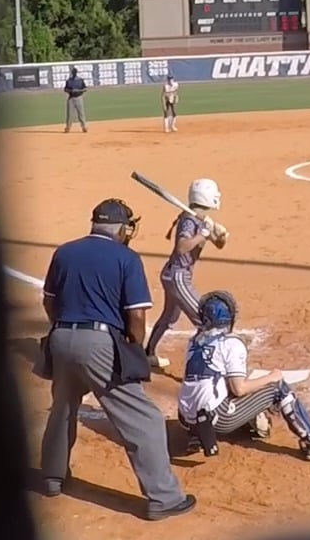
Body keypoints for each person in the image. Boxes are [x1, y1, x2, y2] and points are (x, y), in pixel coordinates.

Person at [38, 198, 195, 520]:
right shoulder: (126, 258)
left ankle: (52, 477)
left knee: (63, 408)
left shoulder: (64, 252)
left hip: (60, 339)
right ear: (122, 228)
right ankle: (164, 498)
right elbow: (136, 316)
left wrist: (64, 331)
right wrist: (133, 347)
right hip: (99, 345)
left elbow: (49, 302)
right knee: (145, 419)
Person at [177, 290, 310, 462]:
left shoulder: (194, 342)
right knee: (278, 388)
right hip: (218, 418)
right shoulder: (231, 343)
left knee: (212, 384)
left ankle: (196, 436)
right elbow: (239, 389)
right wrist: (271, 377)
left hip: (186, 419)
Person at [143, 178, 227, 370]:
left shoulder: (201, 220)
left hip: (176, 275)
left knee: (169, 318)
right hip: (178, 277)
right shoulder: (189, 220)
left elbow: (219, 244)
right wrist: (203, 234)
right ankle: (202, 366)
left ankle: (148, 355)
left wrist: (220, 235)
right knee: (206, 320)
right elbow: (181, 247)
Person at [63, 67, 88, 134]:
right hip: (71, 98)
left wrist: (78, 90)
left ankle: (84, 127)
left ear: (76, 73)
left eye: (75, 72)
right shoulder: (69, 81)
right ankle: (68, 127)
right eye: (73, 72)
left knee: (81, 113)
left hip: (79, 97)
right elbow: (65, 89)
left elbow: (85, 89)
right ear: (72, 73)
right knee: (70, 114)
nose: (74, 73)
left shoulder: (80, 80)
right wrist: (71, 90)